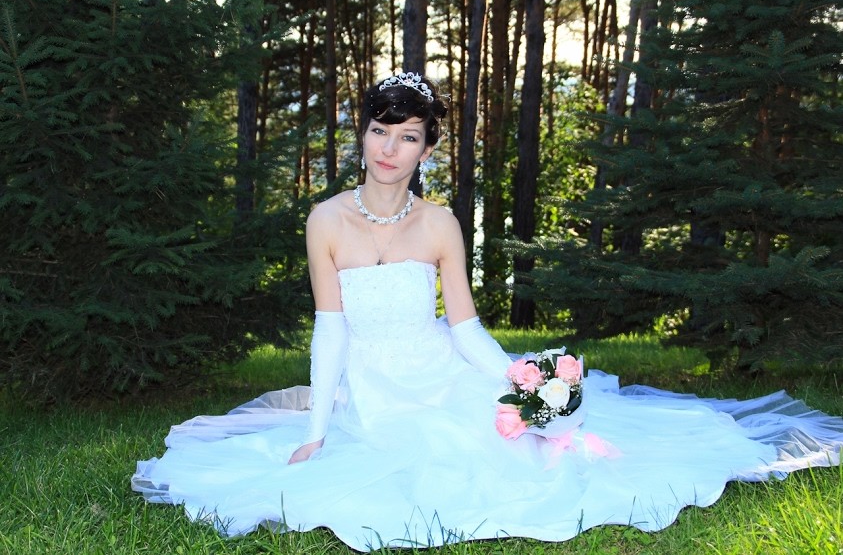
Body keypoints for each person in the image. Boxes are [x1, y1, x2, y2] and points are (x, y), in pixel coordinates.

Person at [133, 72, 843, 551]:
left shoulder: (440, 223)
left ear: (427, 148)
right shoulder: (325, 221)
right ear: (361, 133)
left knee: (505, 451)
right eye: (380, 130)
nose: (389, 149)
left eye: (408, 135)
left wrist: (520, 382)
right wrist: (317, 432)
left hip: (442, 371)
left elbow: (464, 327)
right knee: (385, 463)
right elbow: (330, 330)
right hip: (373, 392)